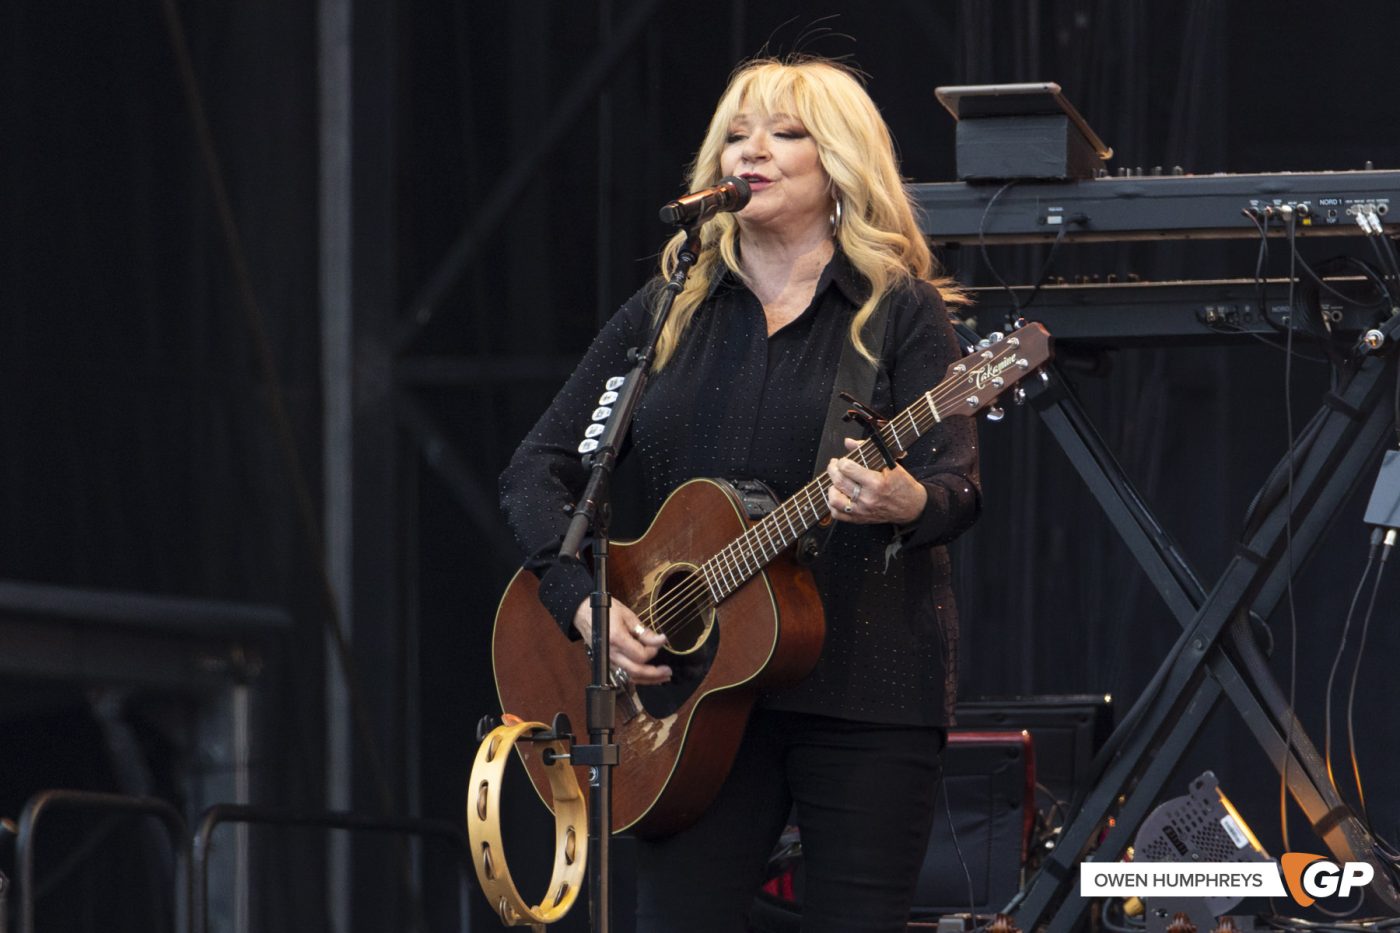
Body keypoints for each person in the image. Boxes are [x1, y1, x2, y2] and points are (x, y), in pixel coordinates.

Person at [499, 55, 980, 933]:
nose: (750, 153)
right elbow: (537, 466)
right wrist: (584, 606)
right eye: (736, 135)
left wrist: (906, 501)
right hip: (690, 704)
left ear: (839, 163)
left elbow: (955, 485)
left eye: (785, 134)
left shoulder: (899, 310)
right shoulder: (669, 308)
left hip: (865, 690)